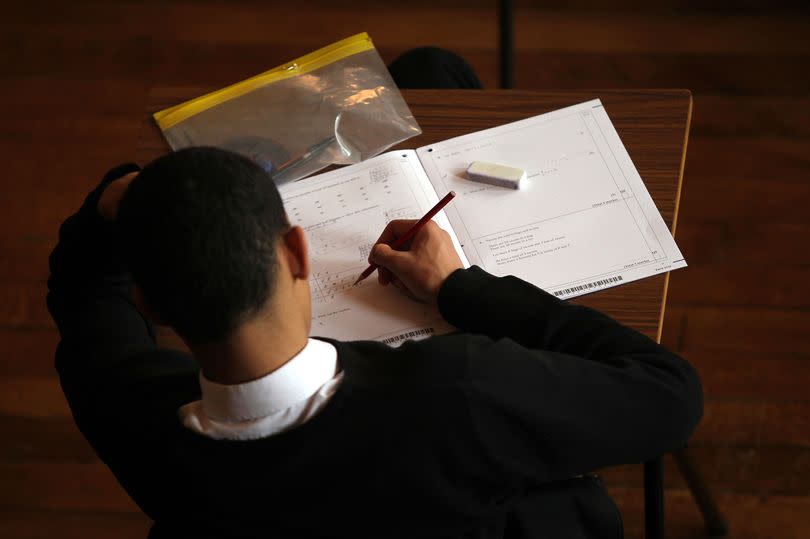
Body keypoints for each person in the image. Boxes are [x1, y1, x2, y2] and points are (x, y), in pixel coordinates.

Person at [47, 50, 702, 538]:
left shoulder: (129, 411)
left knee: (425, 69)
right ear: (298, 252)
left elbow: (82, 295)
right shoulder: (460, 392)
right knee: (435, 66)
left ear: (152, 305)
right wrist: (461, 288)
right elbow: (670, 394)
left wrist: (115, 198)